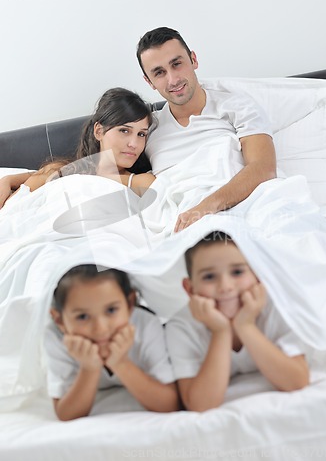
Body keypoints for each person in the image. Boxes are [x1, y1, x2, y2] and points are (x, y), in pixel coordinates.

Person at [136, 27, 277, 232]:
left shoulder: (236, 106)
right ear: (149, 82)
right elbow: (111, 167)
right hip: (184, 225)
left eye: (177, 64)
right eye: (159, 73)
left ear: (193, 59)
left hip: (247, 209)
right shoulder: (148, 129)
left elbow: (264, 168)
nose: (173, 80)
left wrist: (205, 208)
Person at [165, 231, 309, 412]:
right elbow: (201, 405)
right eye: (209, 277)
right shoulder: (181, 326)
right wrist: (221, 331)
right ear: (189, 288)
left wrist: (245, 326)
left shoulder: (276, 306)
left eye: (237, 272)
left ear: (257, 275)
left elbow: (297, 381)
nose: (225, 287)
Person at [44, 264, 179, 421]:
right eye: (82, 317)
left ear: (130, 304)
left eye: (111, 310)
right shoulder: (56, 337)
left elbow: (169, 405)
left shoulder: (146, 325)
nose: (100, 329)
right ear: (59, 319)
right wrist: (89, 368)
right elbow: (66, 414)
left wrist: (120, 363)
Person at [0, 88, 156, 208]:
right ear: (99, 131)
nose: (134, 144)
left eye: (141, 134)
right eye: (124, 130)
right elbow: (13, 213)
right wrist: (8, 180)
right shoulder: (58, 172)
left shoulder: (140, 181)